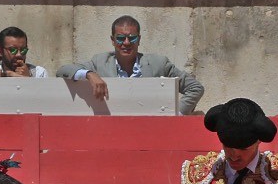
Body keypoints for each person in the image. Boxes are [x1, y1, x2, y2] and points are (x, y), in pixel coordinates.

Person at [56, 15, 204, 115]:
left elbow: (195, 88)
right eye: (120, 38)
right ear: (113, 40)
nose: (126, 43)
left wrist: (177, 114)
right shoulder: (100, 62)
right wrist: (89, 74)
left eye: (132, 38)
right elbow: (63, 70)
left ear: (139, 40)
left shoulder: (158, 63)